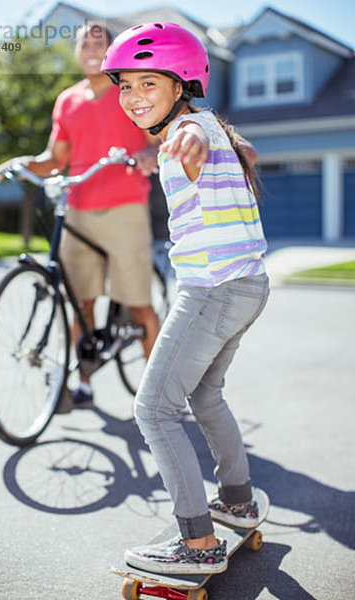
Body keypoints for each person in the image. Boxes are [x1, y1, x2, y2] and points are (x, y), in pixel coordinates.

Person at [101, 22, 269, 575]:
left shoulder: (193, 131)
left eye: (148, 83)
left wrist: (182, 143)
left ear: (181, 86)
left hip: (213, 291)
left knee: (152, 408)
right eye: (125, 86)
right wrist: (162, 156)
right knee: (205, 395)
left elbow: (192, 145)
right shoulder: (209, 130)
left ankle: (197, 544)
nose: (133, 97)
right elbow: (198, 157)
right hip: (246, 286)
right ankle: (238, 499)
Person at [0, 23, 160, 409]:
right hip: (78, 210)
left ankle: (159, 398)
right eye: (83, 43)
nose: (89, 48)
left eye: (98, 43)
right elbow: (56, 159)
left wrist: (147, 157)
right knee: (81, 303)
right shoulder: (67, 100)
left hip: (124, 208)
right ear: (75, 51)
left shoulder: (129, 92)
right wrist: (22, 163)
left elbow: (156, 141)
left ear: (112, 51)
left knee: (139, 305)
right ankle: (82, 381)